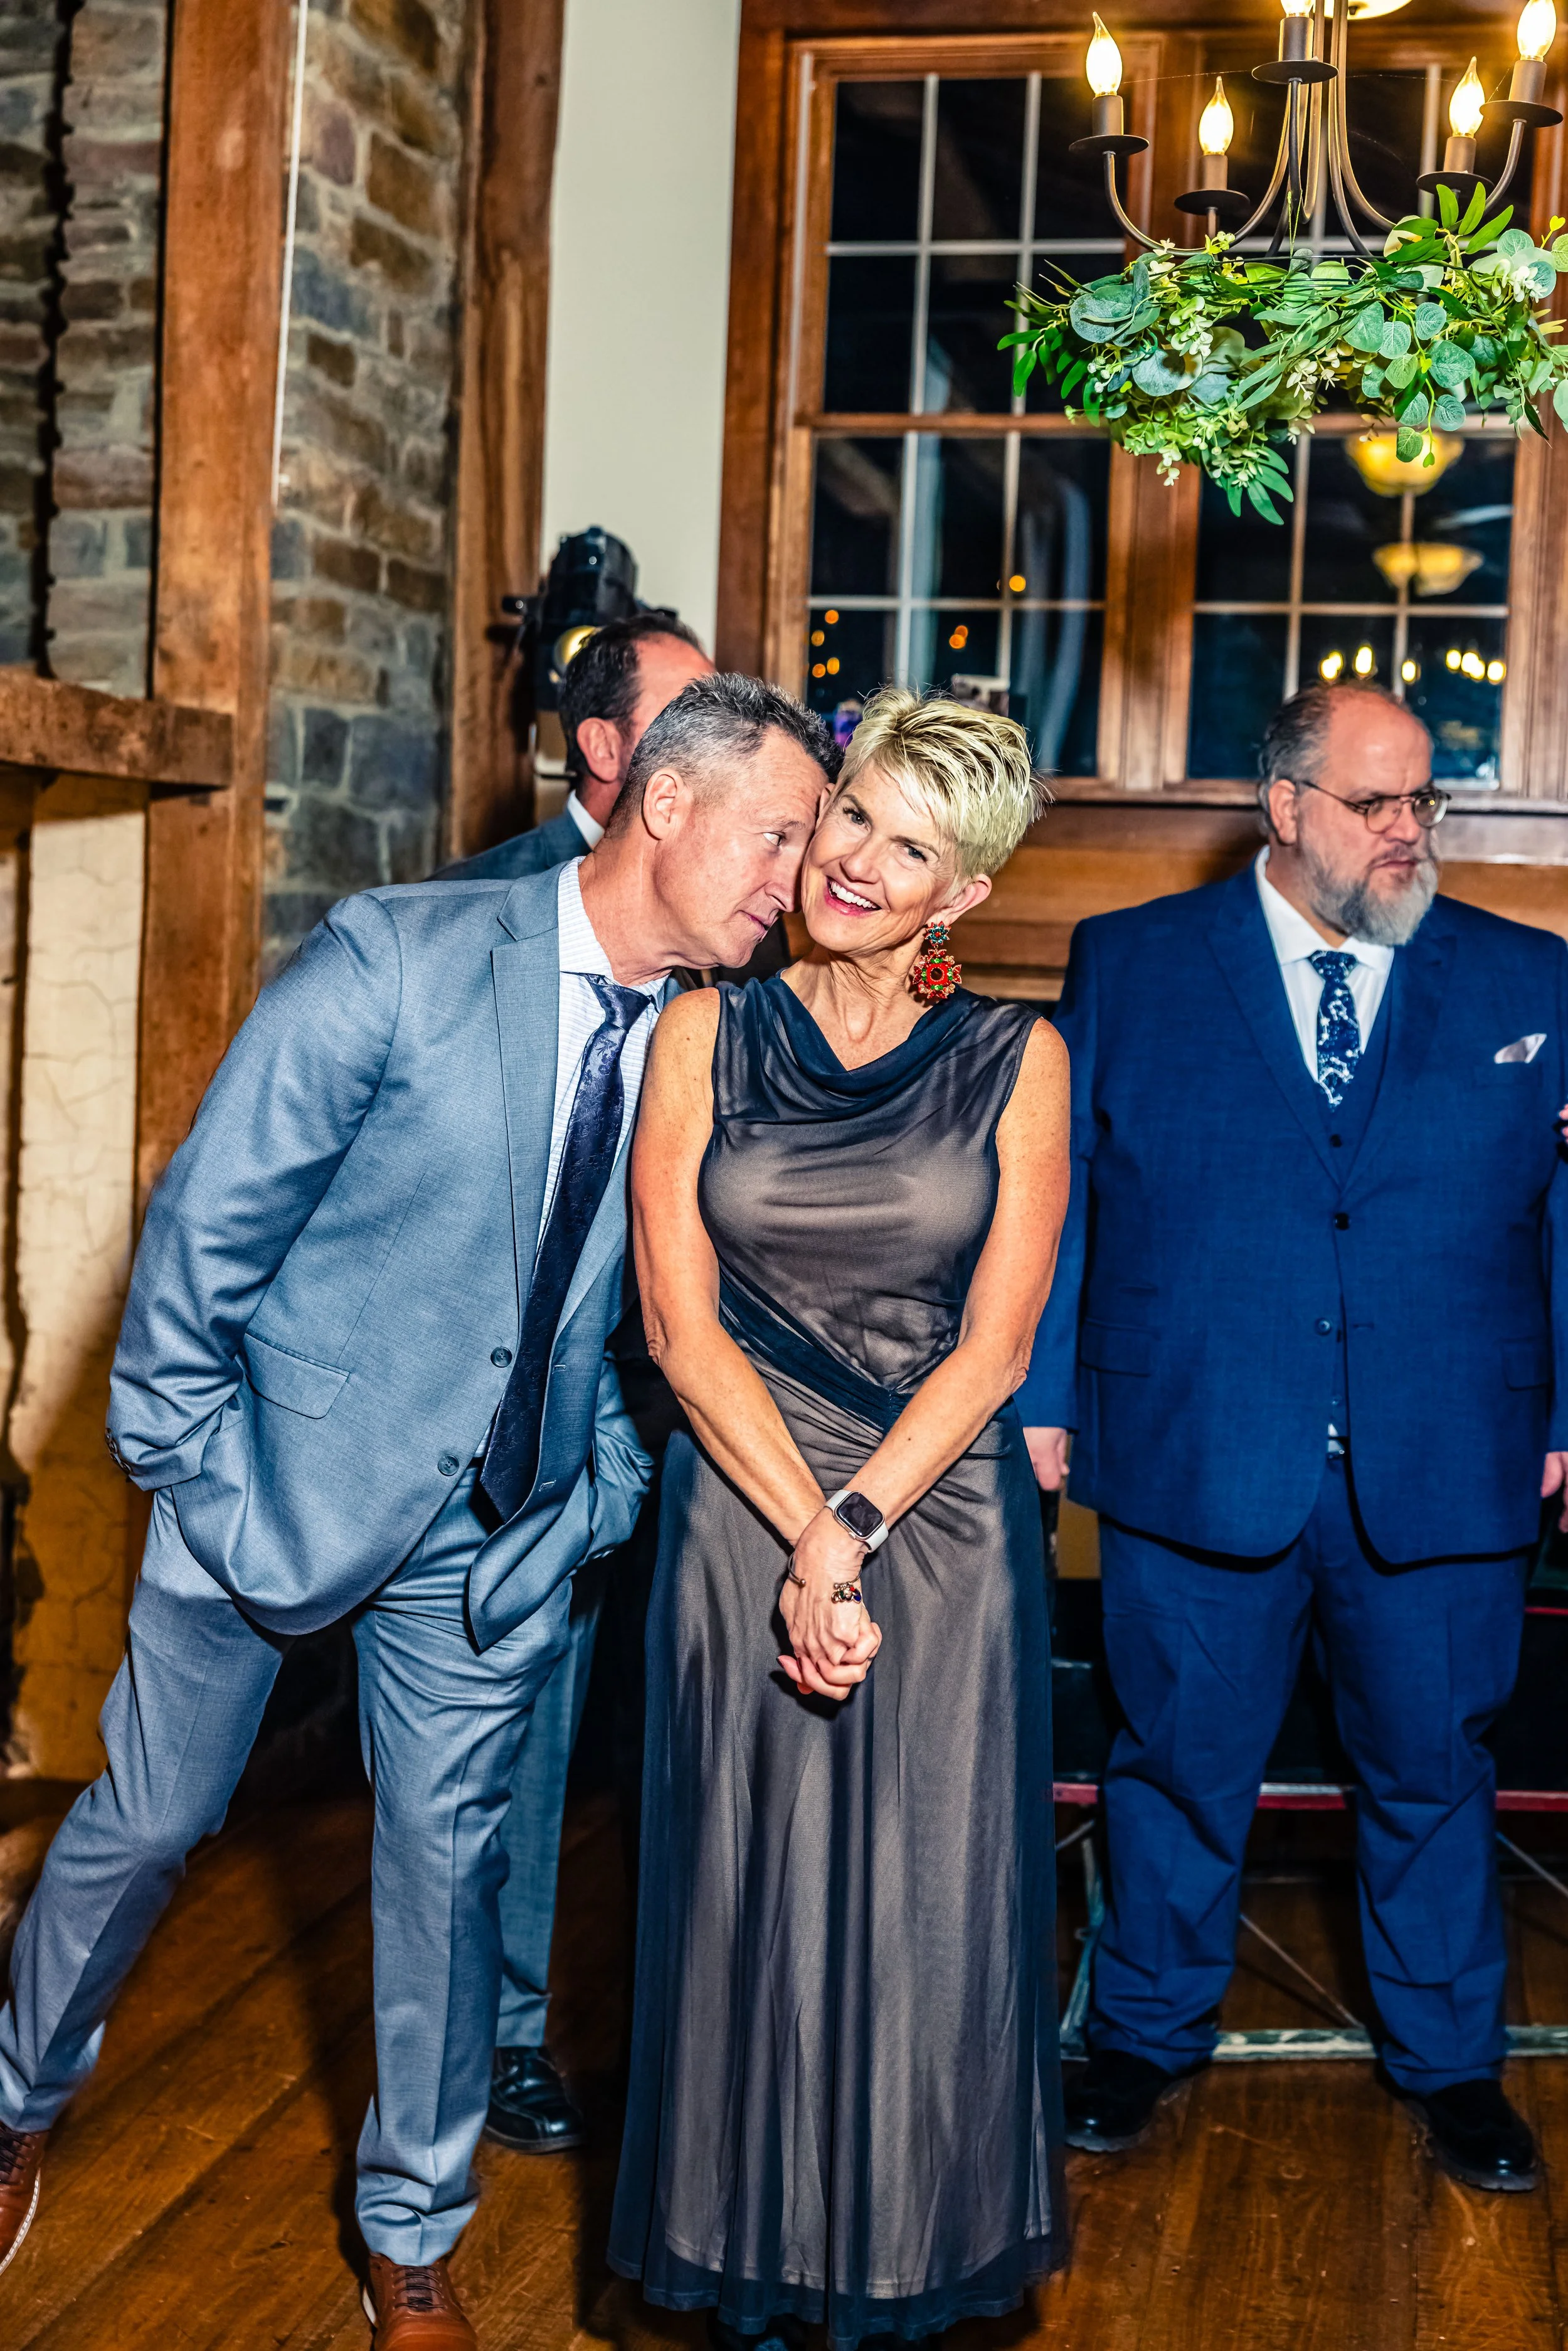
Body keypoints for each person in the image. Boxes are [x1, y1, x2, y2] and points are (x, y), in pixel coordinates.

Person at [0, 675, 837, 2347]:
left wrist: (591, 1491)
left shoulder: (709, 1041)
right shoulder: (400, 955)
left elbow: (654, 1317)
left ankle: (412, 2226)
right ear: (663, 807)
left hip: (499, 1537)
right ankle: (17, 2093)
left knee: (445, 1870)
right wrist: (197, 1470)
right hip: (275, 1486)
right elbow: (203, 1234)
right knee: (153, 1818)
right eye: (779, 831)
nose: (795, 874)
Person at [1022, 679, 1568, 2194]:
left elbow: (1567, 1220)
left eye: (1423, 804)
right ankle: (1140, 2035)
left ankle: (1456, 2065)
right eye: (1374, 804)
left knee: (1433, 1771)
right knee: (1176, 1762)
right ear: (1283, 808)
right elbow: (1065, 1190)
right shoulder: (1128, 962)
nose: (1408, 833)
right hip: (1197, 1438)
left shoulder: (1534, 979)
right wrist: (1046, 1398)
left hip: (1452, 1448)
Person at [608, 688, 1071, 2348]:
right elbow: (678, 1323)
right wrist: (802, 1531)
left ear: (963, 892)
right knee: (739, 1898)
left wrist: (852, 1526)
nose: (855, 860)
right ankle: (750, 2258)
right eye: (849, 814)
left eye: (910, 845)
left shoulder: (1021, 1059)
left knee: (920, 1914)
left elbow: (998, 1347)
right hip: (736, 1502)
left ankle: (895, 2260)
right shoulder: (698, 1032)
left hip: (933, 1527)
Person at [443, 623, 795, 2162]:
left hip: (695, 1398)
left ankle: (604, 2028)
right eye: (686, 710)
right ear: (611, 756)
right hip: (525, 1412)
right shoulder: (465, 915)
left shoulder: (760, 924)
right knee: (503, 1732)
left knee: (644, 1738)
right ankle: (488, 2037)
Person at [452, 612, 713, 881]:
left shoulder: (722, 882)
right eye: (686, 717)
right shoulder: (464, 897)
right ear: (603, 747)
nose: (719, 742)